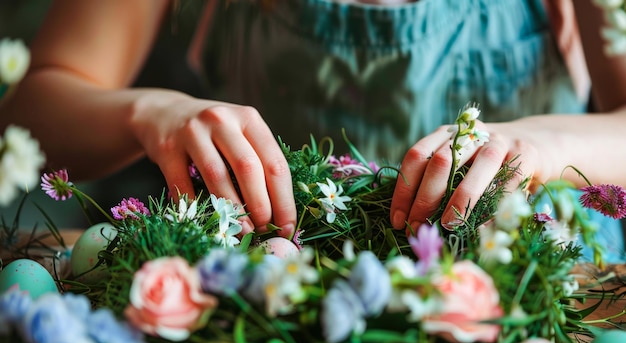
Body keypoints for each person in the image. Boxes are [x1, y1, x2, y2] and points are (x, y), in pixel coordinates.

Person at [0, 0, 624, 260]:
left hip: (543, 305)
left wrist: (546, 146)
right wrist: (149, 112)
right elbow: (31, 113)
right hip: (275, 309)